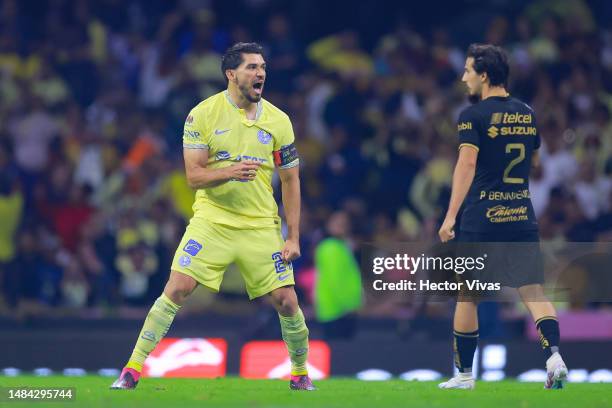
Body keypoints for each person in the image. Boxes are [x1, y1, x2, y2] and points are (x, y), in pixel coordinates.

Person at [111, 42, 315, 391]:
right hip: (213, 221)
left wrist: (292, 235)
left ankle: (299, 373)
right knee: (177, 288)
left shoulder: (279, 121)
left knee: (287, 300)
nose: (260, 73)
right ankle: (131, 369)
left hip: (260, 225)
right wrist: (231, 171)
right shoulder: (201, 115)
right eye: (251, 67)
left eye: (262, 66)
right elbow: (193, 176)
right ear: (231, 74)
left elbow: (291, 179)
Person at [437, 44, 567, 390]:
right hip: (521, 215)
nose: (464, 77)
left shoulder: (472, 116)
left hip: (482, 217)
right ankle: (553, 356)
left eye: (468, 71)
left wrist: (450, 215)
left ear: (483, 75)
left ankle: (464, 376)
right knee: (534, 293)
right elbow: (534, 162)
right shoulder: (527, 112)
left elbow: (466, 163)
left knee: (468, 294)